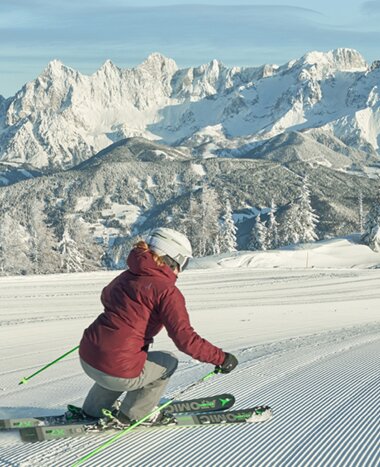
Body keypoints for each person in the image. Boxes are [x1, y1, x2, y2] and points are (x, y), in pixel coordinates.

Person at [79, 227, 238, 427]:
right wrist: (221, 358)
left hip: (88, 355)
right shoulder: (167, 291)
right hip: (116, 370)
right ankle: (135, 415)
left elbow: (106, 296)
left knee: (120, 360)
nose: (182, 269)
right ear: (174, 259)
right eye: (184, 263)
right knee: (166, 361)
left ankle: (92, 410)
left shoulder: (128, 274)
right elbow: (185, 339)